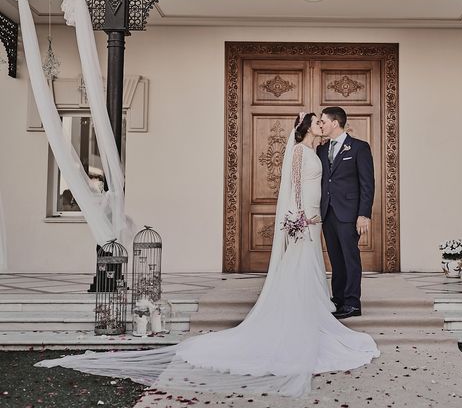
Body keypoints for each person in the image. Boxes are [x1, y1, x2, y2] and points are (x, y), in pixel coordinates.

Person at [36, 112, 379, 398]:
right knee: (306, 266)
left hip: (326, 217)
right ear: (308, 129)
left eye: (324, 121)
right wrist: (299, 220)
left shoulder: (333, 150)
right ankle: (314, 307)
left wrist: (351, 213)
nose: (321, 125)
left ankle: (337, 302)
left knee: (328, 263)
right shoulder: (306, 153)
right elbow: (296, 189)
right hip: (308, 220)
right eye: (317, 122)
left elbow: (356, 183)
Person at [317, 107, 374, 319]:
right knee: (335, 259)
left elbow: (367, 184)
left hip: (349, 213)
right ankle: (338, 299)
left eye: (323, 121)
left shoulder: (359, 148)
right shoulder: (322, 150)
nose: (321, 125)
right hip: (328, 213)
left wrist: (364, 214)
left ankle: (352, 303)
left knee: (350, 258)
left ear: (334, 123)